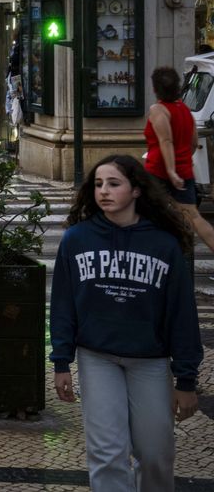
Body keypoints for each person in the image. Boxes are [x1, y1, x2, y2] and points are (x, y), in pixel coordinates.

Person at [50, 155, 201, 491]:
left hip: (150, 360)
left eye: (113, 184)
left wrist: (186, 379)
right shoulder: (76, 240)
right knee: (107, 453)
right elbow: (62, 304)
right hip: (97, 356)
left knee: (155, 454)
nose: (103, 191)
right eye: (98, 184)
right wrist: (61, 361)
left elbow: (182, 313)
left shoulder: (164, 244)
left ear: (136, 190)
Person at [146, 66, 214, 251]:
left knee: (140, 212)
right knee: (193, 216)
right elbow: (193, 142)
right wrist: (182, 161)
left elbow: (165, 140)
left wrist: (170, 170)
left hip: (158, 171)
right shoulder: (185, 110)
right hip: (185, 171)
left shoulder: (158, 110)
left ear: (155, 89)